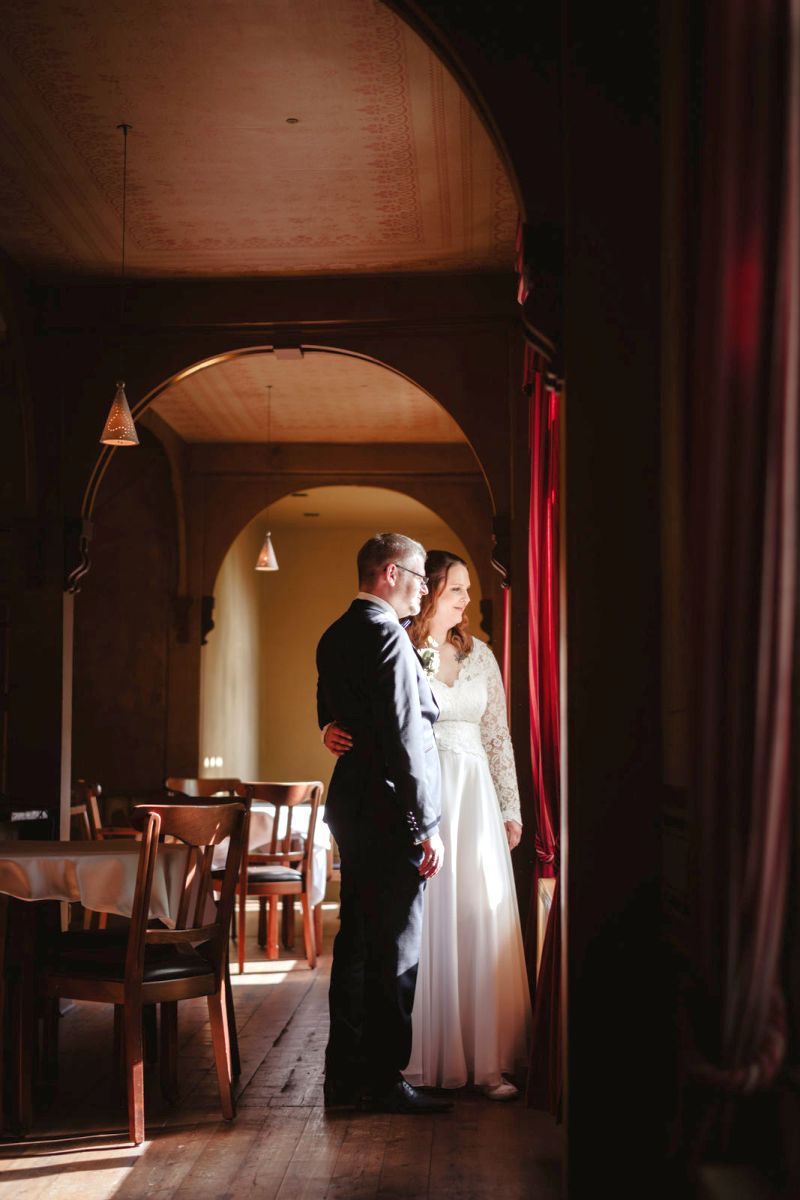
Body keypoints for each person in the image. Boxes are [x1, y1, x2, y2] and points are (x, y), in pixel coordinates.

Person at [325, 549, 531, 1100]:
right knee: (417, 932)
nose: (467, 600)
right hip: (417, 801)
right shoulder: (397, 643)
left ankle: (484, 1058)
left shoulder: (482, 656)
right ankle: (415, 1058)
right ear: (430, 589)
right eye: (457, 589)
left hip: (475, 800)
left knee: (475, 916)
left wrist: (510, 808)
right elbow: (374, 715)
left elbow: (497, 737)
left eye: (468, 590)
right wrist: (329, 725)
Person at [316, 532, 451, 1115]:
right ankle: (384, 1079)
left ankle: (343, 1078)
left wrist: (327, 724)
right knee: (396, 947)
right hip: (392, 808)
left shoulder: (337, 631)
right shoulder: (389, 638)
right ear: (391, 574)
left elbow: (330, 695)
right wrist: (426, 824)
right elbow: (405, 737)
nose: (425, 587)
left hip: (351, 803)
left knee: (355, 944)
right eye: (421, 576)